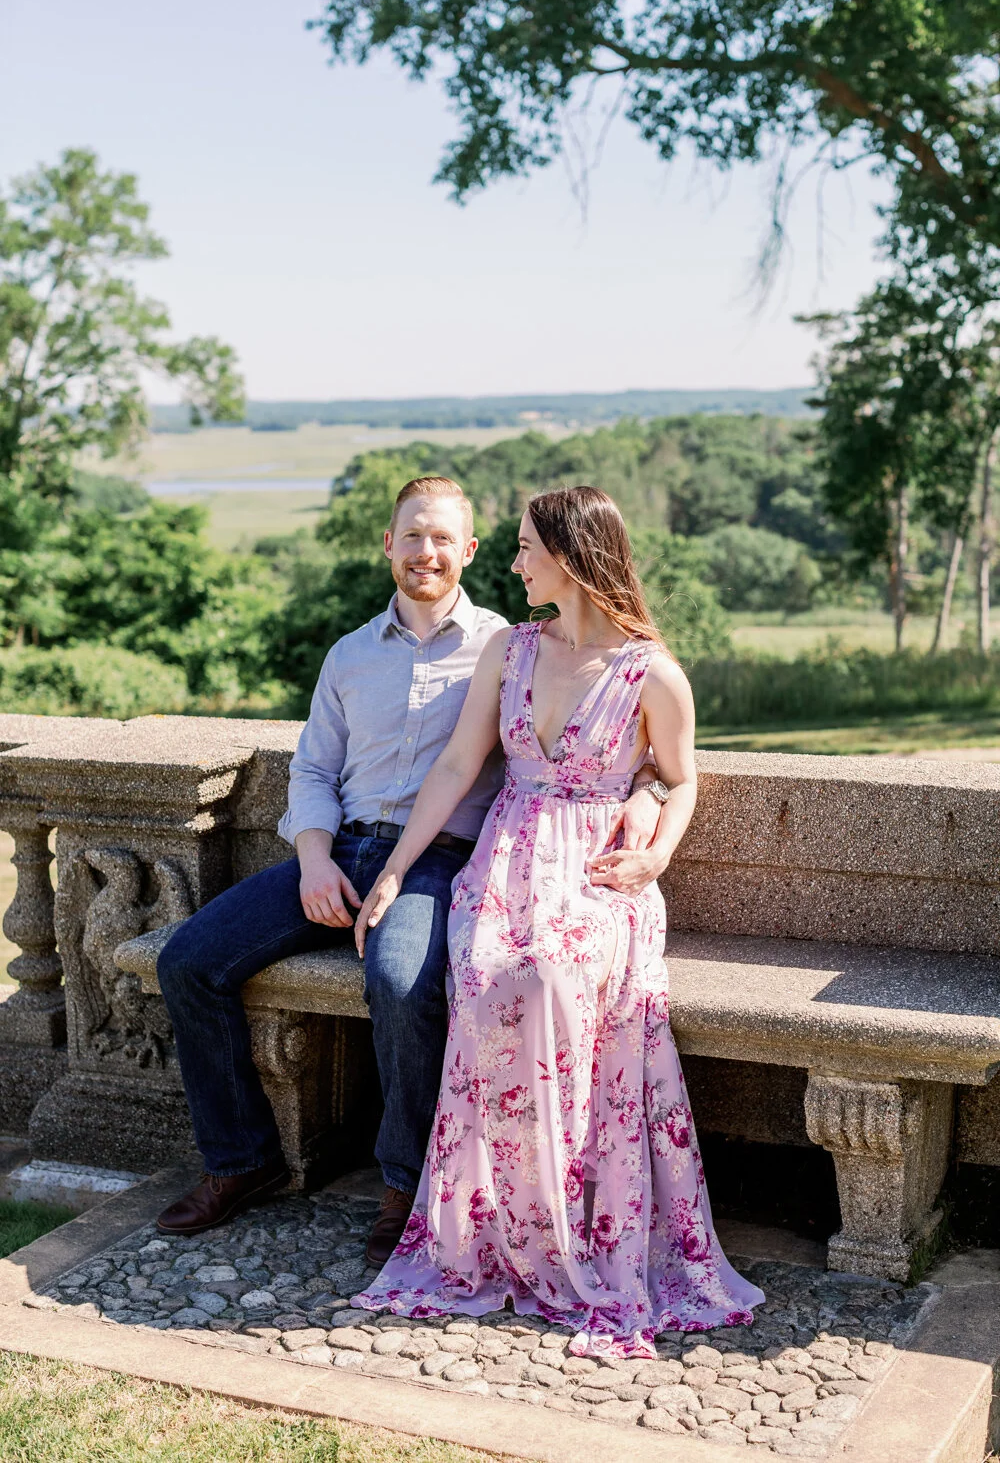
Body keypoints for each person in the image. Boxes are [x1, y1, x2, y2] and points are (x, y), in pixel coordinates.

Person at [154, 476, 663, 1267]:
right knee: (188, 960)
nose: (426, 551)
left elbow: (605, 733)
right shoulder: (349, 656)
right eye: (411, 536)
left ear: (469, 550)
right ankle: (241, 1160)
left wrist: (646, 793)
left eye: (442, 538)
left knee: (399, 983)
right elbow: (312, 771)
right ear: (388, 545)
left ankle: (405, 1188)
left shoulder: (509, 644)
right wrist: (314, 858)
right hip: (339, 851)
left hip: (437, 861)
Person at [349, 485, 764, 1354]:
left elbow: (679, 778)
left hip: (598, 872)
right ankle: (495, 1231)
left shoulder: (654, 674)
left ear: (571, 558)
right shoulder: (512, 647)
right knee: (492, 968)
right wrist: (393, 871)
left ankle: (576, 1228)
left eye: (527, 548)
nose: (513, 563)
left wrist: (654, 852)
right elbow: (461, 763)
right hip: (504, 862)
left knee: (553, 977)